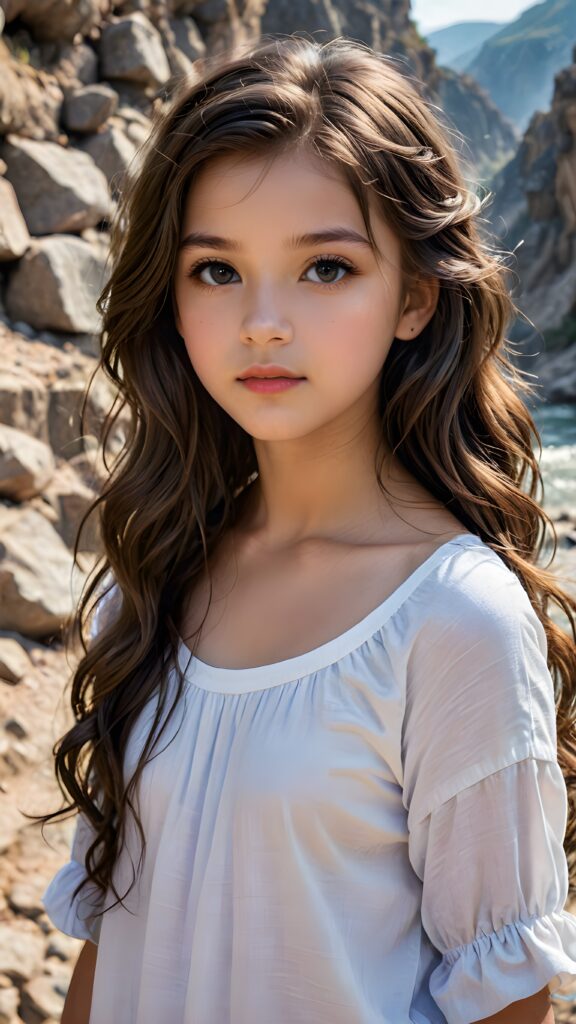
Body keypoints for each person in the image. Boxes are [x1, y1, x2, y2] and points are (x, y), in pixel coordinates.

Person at [34, 32, 576, 1024]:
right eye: (216, 271)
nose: (263, 323)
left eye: (325, 269)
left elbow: (508, 1001)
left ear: (413, 295)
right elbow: (113, 933)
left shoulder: (457, 625)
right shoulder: (152, 576)